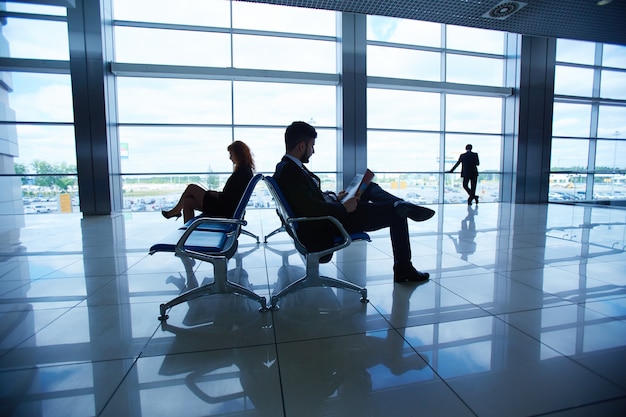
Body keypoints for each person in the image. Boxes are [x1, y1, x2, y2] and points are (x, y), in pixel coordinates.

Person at [273, 121, 435, 283]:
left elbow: (306, 201)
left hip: (326, 218)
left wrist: (336, 198)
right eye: (311, 146)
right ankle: (404, 269)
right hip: (327, 225)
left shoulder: (287, 167)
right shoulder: (290, 172)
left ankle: (401, 204)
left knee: (368, 187)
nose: (313, 151)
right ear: (302, 146)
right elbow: (311, 209)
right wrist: (343, 208)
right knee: (397, 215)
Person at [162, 140, 255, 223]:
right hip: (227, 208)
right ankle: (188, 234)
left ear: (239, 154)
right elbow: (232, 195)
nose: (230, 158)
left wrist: (215, 194)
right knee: (187, 202)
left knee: (191, 188)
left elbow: (228, 197)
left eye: (231, 154)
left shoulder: (241, 173)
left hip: (223, 209)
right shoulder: (245, 171)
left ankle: (176, 211)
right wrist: (216, 194)